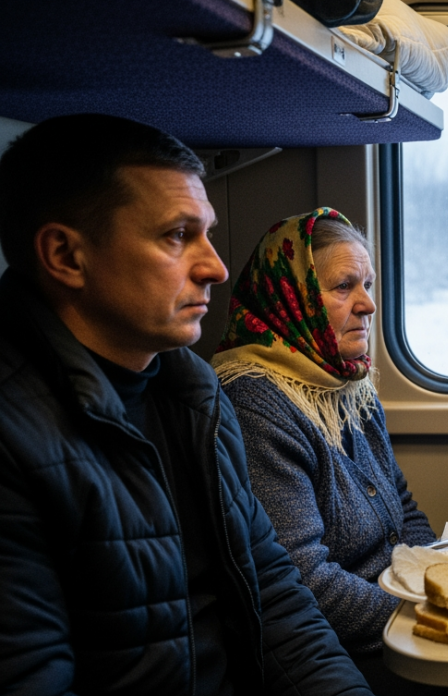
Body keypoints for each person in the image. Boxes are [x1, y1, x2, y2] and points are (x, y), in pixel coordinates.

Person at [0, 114, 372, 694]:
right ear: (66, 256)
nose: (216, 268)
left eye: (207, 233)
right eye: (177, 235)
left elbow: (278, 605)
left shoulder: (196, 398)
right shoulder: (15, 438)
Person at [211, 208, 436, 689]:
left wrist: (440, 580)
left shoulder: (349, 381)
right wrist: (426, 619)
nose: (368, 305)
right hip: (347, 648)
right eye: (343, 287)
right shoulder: (255, 404)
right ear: (292, 299)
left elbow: (406, 511)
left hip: (399, 613)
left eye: (368, 285)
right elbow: (307, 581)